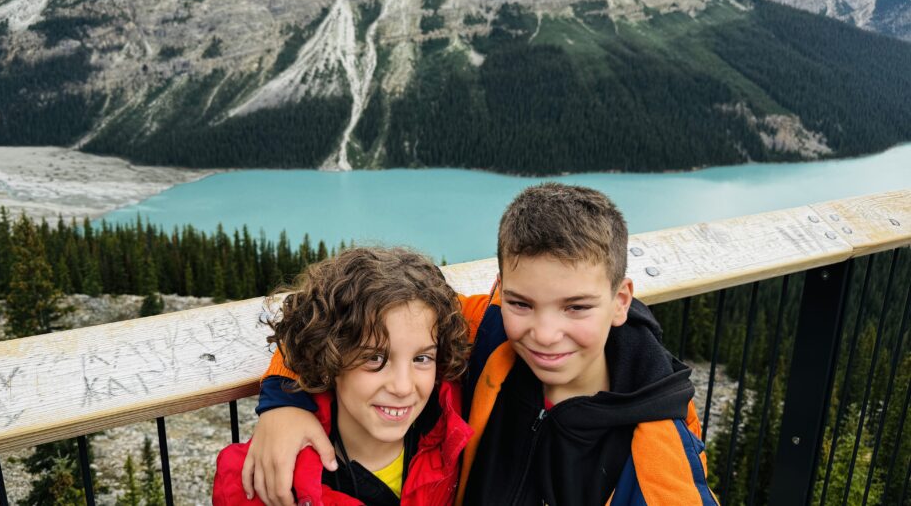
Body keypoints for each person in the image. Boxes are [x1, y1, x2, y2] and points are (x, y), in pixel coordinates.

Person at [244, 184, 718, 505]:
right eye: (522, 303)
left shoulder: (658, 446)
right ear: (499, 289)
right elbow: (350, 314)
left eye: (576, 307)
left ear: (620, 301)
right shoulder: (488, 331)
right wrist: (284, 402)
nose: (545, 333)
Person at [212, 247, 472, 506]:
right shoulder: (263, 483)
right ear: (329, 357)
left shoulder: (450, 419)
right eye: (375, 359)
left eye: (421, 358)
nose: (403, 387)